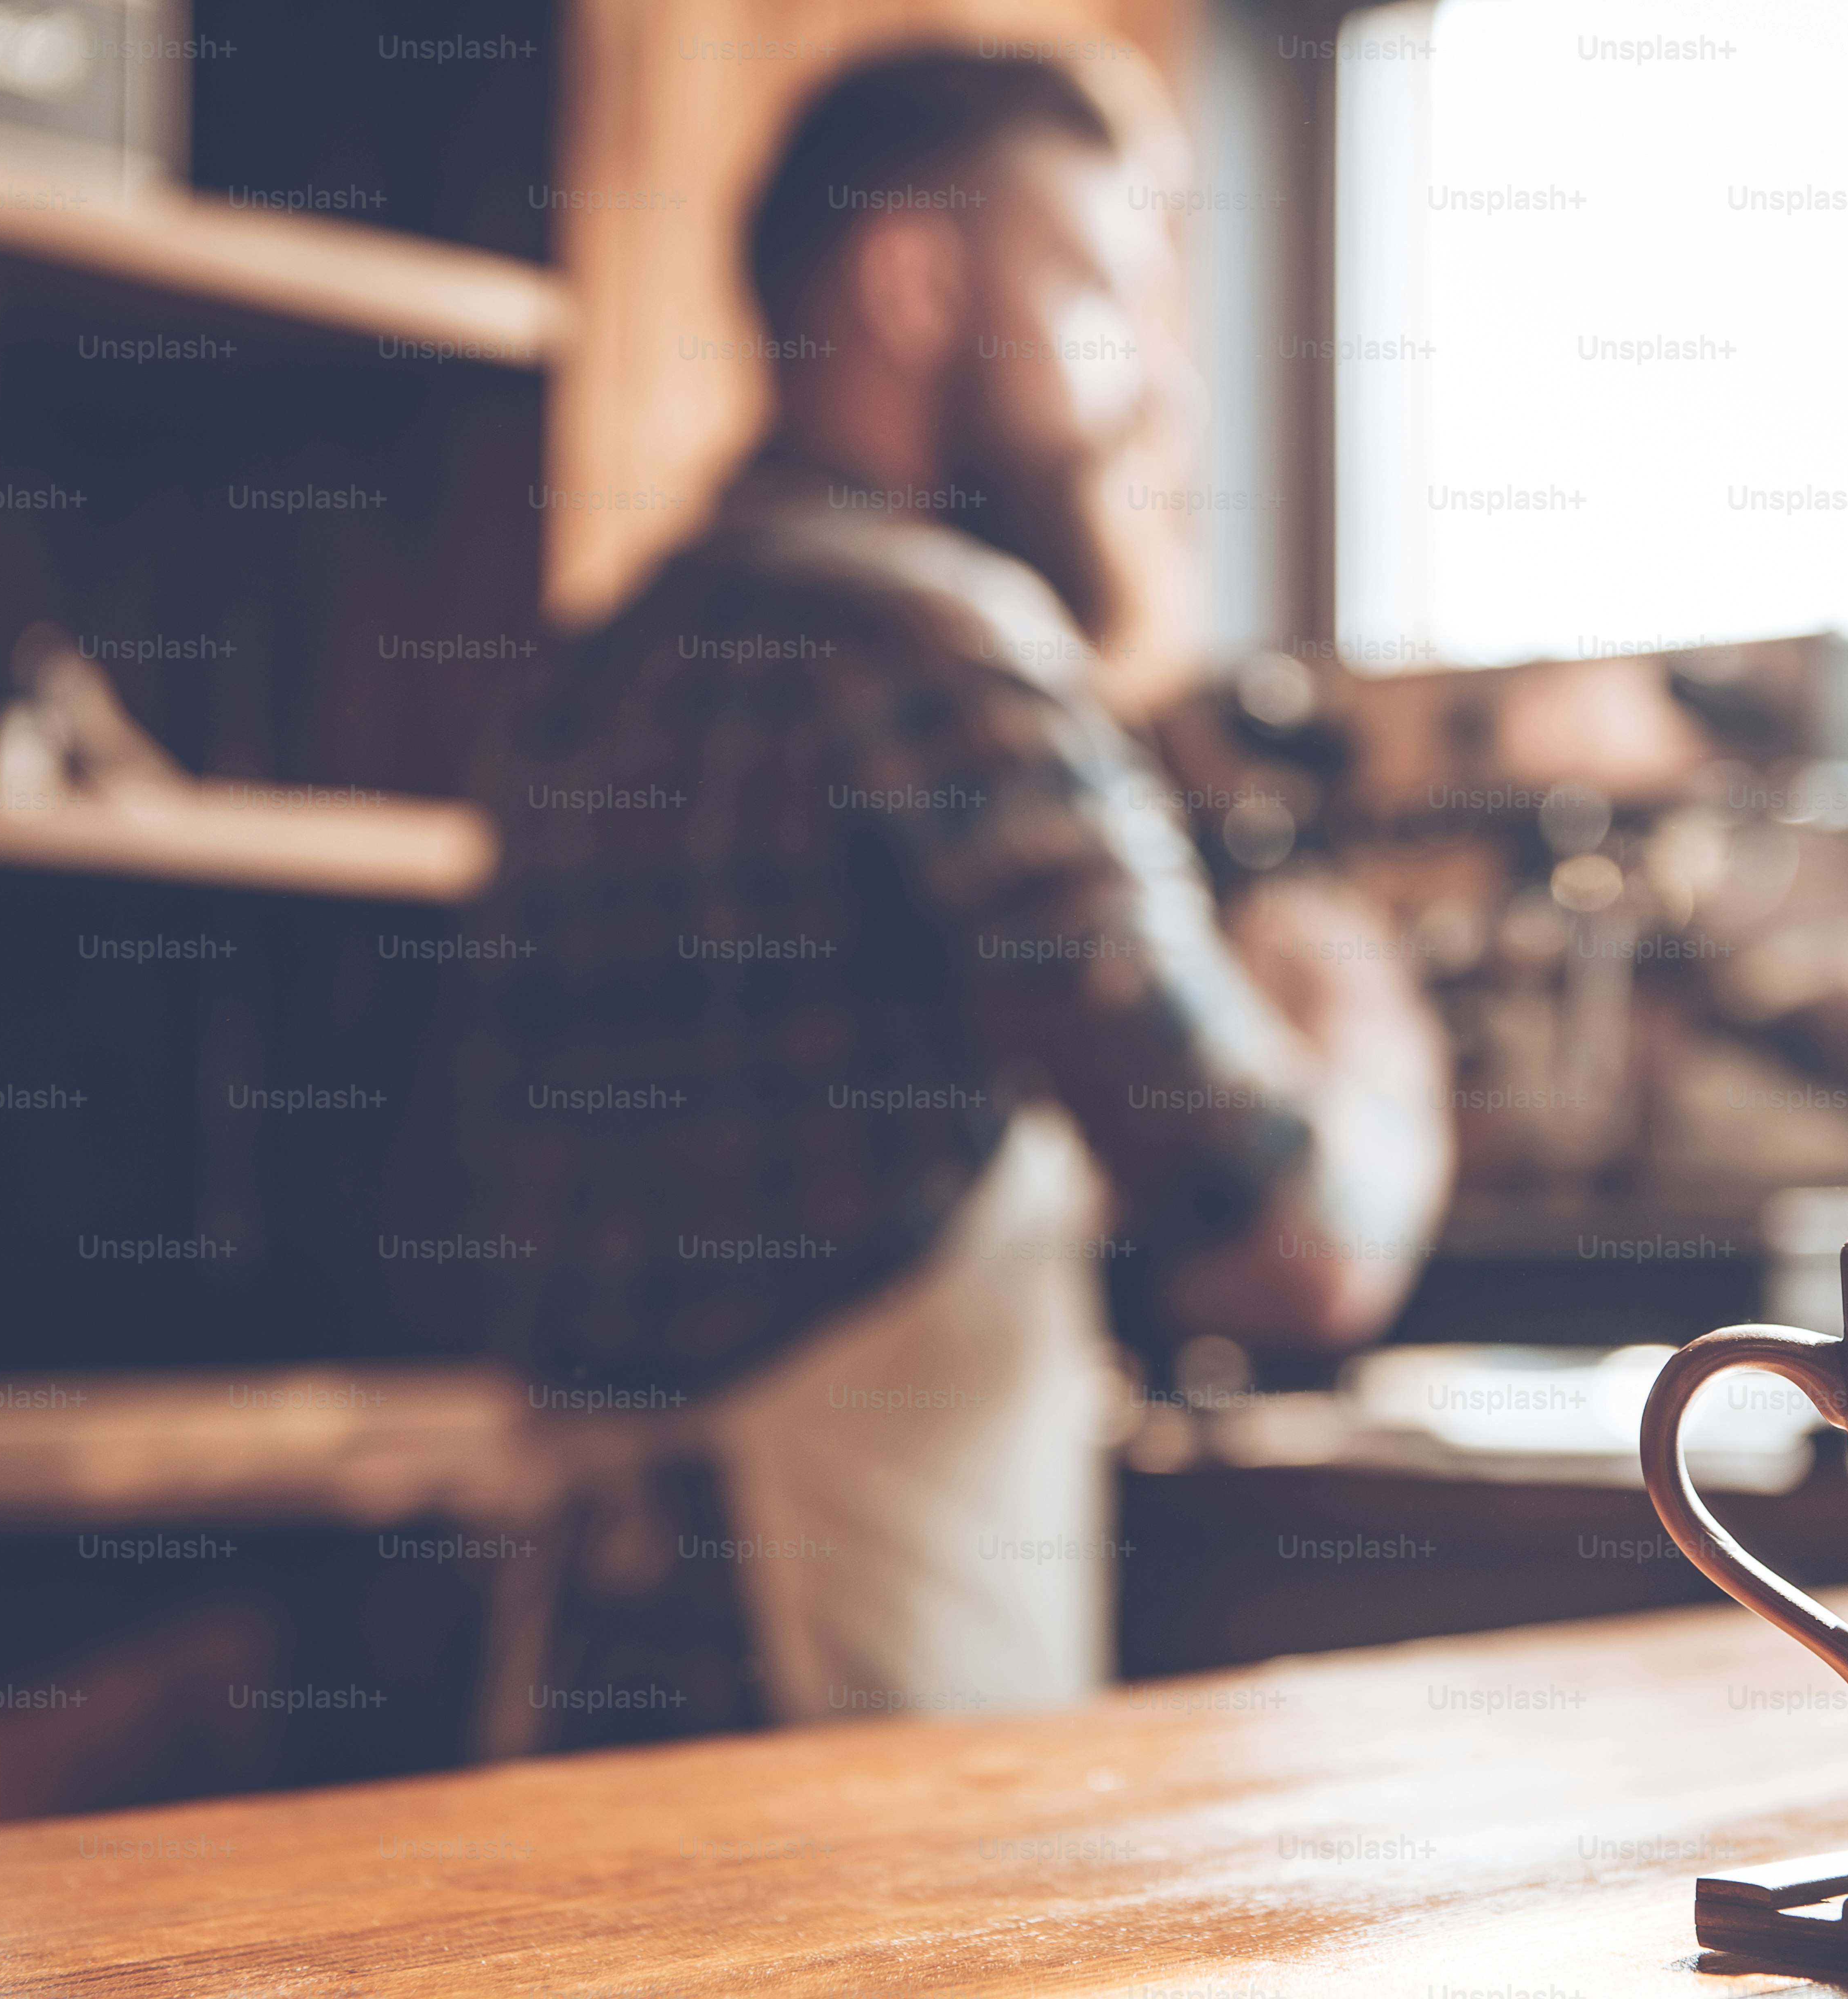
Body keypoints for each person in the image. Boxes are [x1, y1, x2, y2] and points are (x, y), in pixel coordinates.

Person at [447, 50, 1453, 1723]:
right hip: (869, 1720)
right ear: (911, 279)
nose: (1153, 383)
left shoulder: (583, 679)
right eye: (1099, 292)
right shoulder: (934, 644)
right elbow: (1296, 1249)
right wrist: (1369, 1036)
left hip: (575, 1683)